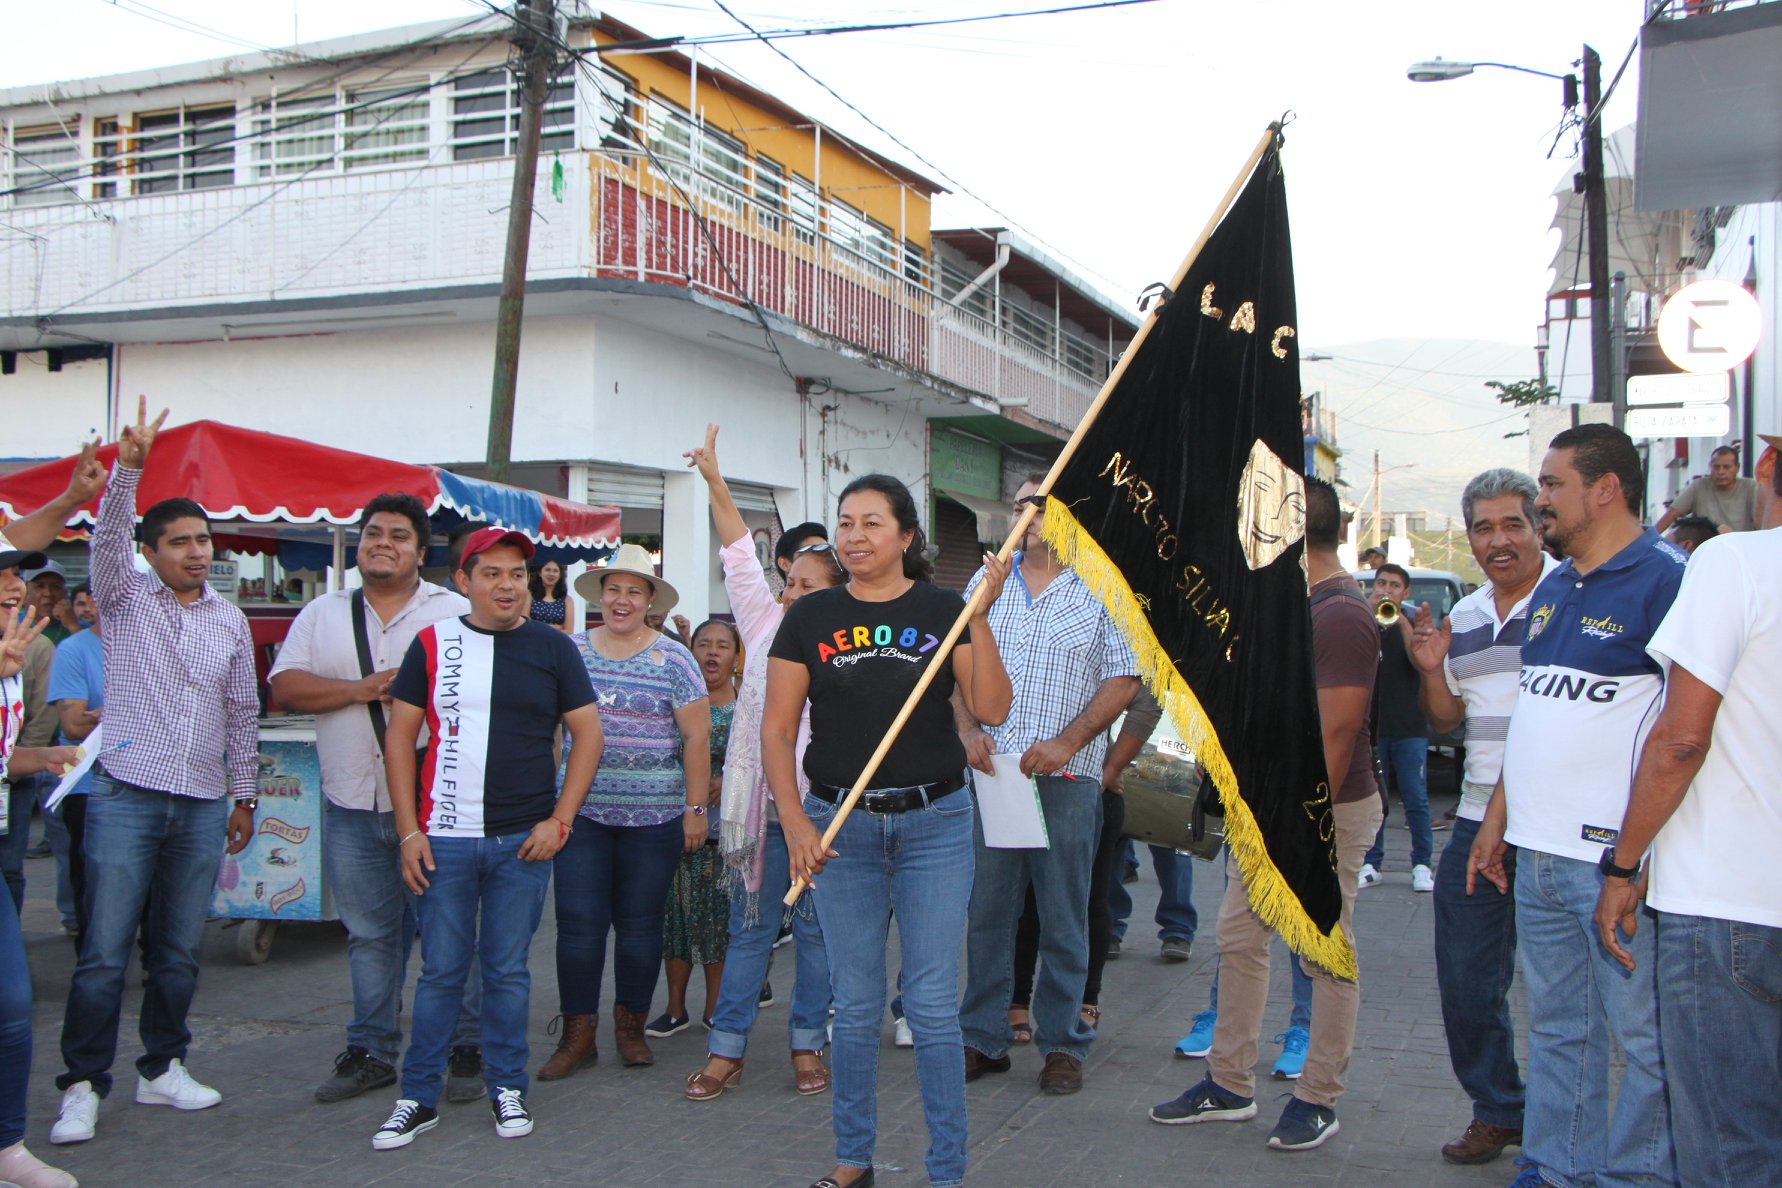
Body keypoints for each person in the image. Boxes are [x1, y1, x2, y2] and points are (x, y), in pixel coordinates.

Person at [766, 473, 1010, 1188]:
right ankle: (853, 1161)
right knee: (857, 1002)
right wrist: (793, 824)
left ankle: (947, 1171)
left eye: (872, 523)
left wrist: (981, 616)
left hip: (935, 824)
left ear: (906, 537)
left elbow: (991, 708)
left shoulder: (942, 609)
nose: (854, 537)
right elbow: (778, 732)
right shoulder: (809, 619)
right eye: (845, 522)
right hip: (840, 829)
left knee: (932, 1008)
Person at [1469, 424, 1686, 1188]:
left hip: (1615, 865)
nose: (1540, 500)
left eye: (1552, 485)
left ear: (1606, 489)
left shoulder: (1668, 578)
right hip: (1538, 855)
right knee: (1561, 1029)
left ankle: (1639, 1177)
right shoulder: (1556, 584)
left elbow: (1686, 734)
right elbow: (1538, 710)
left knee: (1645, 1037)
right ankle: (1558, 1167)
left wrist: (1641, 857)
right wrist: (1497, 823)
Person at [1150, 477, 1383, 1152]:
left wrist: (1296, 830)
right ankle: (1228, 1085)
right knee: (1240, 939)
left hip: (1322, 814)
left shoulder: (1340, 615)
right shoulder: (1293, 606)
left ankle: (1318, 1096)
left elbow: (1335, 737)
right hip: (1268, 809)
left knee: (1322, 951)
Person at [52, 401, 261, 1146]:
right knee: (105, 952)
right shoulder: (124, 597)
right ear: (151, 551)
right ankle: (81, 1084)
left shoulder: (229, 619)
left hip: (204, 804)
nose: (198, 552)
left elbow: (243, 712)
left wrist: (246, 796)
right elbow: (106, 539)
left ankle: (162, 1067)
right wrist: (129, 470)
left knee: (176, 951)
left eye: (204, 540)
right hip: (125, 797)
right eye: (180, 542)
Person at [369, 527, 602, 1150]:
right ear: (463, 581)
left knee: (506, 971)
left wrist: (562, 819)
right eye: (493, 573)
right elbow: (399, 739)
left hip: (520, 844)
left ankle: (508, 1086)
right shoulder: (432, 643)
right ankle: (417, 1096)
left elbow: (589, 734)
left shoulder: (553, 649)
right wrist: (408, 830)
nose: (507, 584)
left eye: (517, 574)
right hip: (442, 838)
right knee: (441, 972)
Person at [1591, 452, 1779, 1187]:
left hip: (1728, 900)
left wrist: (1623, 864)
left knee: (1732, 1147)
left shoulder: (1736, 563)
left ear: (1766, 469)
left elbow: (1681, 740)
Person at [268, 493, 489, 1106]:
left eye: (397, 534)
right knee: (369, 933)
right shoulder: (321, 613)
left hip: (437, 805)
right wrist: (358, 690)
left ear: (421, 551)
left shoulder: (454, 612)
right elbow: (285, 686)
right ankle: (370, 1050)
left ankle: (465, 1045)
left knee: (450, 932)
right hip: (351, 800)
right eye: (372, 534)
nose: (382, 543)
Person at [955, 479, 1138, 1095]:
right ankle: (982, 1037)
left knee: (1064, 913)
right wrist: (965, 729)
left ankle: (1062, 1043)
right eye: (1018, 505)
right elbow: (950, 671)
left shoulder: (1104, 592)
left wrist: (1068, 741)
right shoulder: (982, 586)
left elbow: (1124, 680)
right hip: (992, 776)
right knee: (988, 912)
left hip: (1066, 778)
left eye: (1040, 506)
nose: (1025, 516)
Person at [682, 425, 839, 1103]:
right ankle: (726, 1051)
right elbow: (738, 552)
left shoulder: (845, 640)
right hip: (758, 814)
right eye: (789, 581)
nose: (791, 591)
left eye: (808, 585)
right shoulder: (763, 624)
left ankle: (809, 1043)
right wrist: (716, 480)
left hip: (823, 815)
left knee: (816, 935)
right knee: (748, 932)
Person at [1404, 468, 1554, 1166]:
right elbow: (1449, 724)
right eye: (1484, 528)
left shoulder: (1571, 600)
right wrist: (1433, 670)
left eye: (1512, 524)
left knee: (1558, 989)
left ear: (1537, 526)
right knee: (1466, 980)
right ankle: (1498, 1108)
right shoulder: (1463, 616)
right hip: (1471, 821)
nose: (1499, 541)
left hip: (1553, 824)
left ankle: (1561, 1130)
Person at [537, 543, 709, 1077]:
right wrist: (548, 802)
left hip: (654, 819)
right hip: (580, 815)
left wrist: (695, 809)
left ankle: (631, 1028)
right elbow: (551, 731)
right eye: (614, 589)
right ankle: (577, 1034)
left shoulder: (674, 657)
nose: (622, 600)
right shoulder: (571, 652)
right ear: (600, 595)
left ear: (649, 600)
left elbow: (697, 735)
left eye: (634, 591)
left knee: (639, 928)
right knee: (579, 925)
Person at [0, 605, 81, 1188]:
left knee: (10, 1007)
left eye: (18, 590)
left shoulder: (13, 660)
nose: (17, 602)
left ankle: (6, 1145)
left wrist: (40, 758)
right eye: (4, 589)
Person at [651, 618, 740, 1037]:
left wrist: (731, 778)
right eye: (704, 643)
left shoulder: (746, 707)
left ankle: (715, 1008)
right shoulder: (680, 700)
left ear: (736, 657)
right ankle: (673, 1008)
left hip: (729, 832)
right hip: (677, 823)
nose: (712, 652)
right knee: (676, 915)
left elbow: (762, 760)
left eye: (723, 645)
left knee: (717, 919)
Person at [1358, 563, 1434, 893]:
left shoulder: (1415, 622)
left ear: (1406, 593)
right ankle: (1372, 863)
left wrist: (1400, 618)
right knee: (1375, 800)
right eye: (1381, 583)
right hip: (1374, 727)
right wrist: (1369, 615)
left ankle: (1421, 864)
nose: (1386, 589)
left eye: (1394, 585)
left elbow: (1420, 662)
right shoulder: (1364, 618)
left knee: (1415, 798)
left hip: (1410, 726)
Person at [47, 586, 107, 940]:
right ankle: (91, 958)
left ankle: (153, 958)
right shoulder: (73, 649)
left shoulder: (150, 645)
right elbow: (72, 724)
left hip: (148, 777)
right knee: (90, 875)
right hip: (87, 782)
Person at [1654, 445, 1761, 534]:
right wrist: (1647, 541)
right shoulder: (1699, 486)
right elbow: (1671, 514)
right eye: (1716, 467)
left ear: (1737, 468)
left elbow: (1761, 521)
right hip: (1706, 548)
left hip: (1740, 547)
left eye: (1727, 467)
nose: (1721, 472)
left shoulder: (1751, 487)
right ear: (1710, 466)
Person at [21, 562, 77, 646]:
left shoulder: (84, 629)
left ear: (65, 593)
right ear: (24, 593)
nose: (48, 594)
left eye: (56, 586)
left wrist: (73, 627)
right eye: (40, 586)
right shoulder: (10, 626)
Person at [527, 560, 571, 631]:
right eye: (547, 570)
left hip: (557, 641)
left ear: (560, 575)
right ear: (539, 573)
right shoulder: (529, 595)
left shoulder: (567, 600)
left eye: (555, 571)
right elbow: (526, 624)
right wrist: (556, 627)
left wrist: (538, 626)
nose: (551, 574)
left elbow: (569, 631)